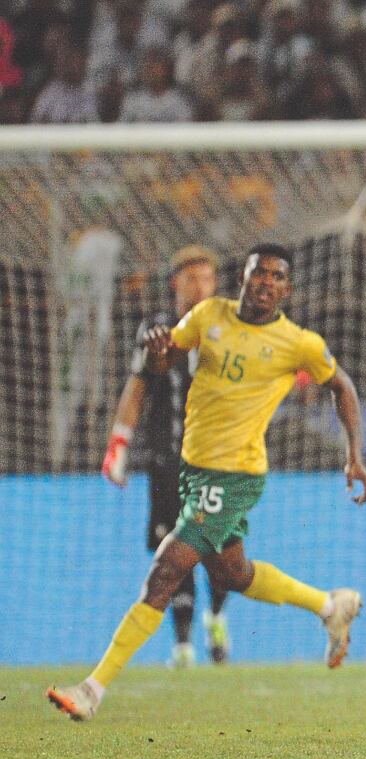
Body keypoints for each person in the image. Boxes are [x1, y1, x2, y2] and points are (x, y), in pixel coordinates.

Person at [47, 244, 366, 722]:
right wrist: (159, 351)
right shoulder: (208, 315)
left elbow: (341, 385)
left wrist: (354, 457)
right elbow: (162, 362)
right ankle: (330, 605)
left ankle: (92, 689)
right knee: (231, 575)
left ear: (287, 289)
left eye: (276, 277)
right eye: (257, 273)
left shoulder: (298, 343)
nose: (265, 282)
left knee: (165, 570)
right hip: (193, 471)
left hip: (236, 475)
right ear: (241, 278)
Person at [102, 245, 229, 668]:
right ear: (176, 283)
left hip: (219, 462)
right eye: (192, 278)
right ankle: (183, 646)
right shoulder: (157, 329)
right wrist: (118, 447)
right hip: (167, 462)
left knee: (221, 552)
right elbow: (139, 385)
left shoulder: (229, 328)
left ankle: (216, 617)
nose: (201, 286)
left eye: (208, 278)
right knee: (176, 553)